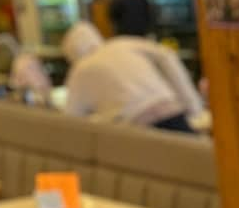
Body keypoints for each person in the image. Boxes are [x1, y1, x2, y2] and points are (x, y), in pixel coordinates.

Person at [60, 22, 202, 132]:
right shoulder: (122, 44)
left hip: (137, 127)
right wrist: (192, 104)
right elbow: (167, 55)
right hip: (172, 111)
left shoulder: (80, 69)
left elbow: (70, 122)